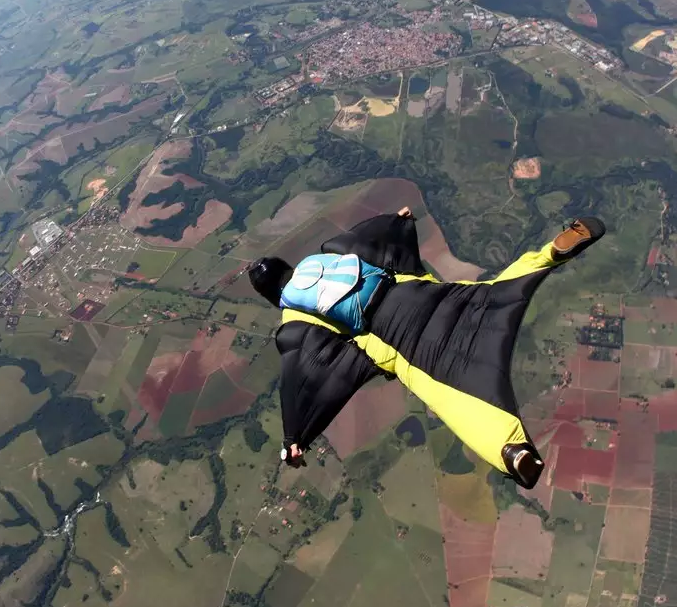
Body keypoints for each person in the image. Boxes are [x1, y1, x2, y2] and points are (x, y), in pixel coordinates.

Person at [248, 208, 605, 488]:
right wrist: (398, 221)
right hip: (420, 295)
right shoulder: (322, 257)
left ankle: (511, 451)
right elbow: (366, 236)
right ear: (287, 267)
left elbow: (299, 375)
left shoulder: (294, 318)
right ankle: (549, 255)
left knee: (461, 400)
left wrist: (295, 436)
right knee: (499, 290)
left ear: (269, 295)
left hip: (405, 345)